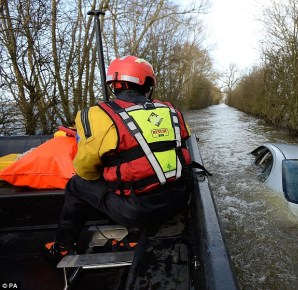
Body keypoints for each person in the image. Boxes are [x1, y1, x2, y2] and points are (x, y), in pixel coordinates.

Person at [43, 55, 192, 262]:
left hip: (138, 211)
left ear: (114, 85)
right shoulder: (172, 111)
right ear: (148, 84)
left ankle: (63, 247)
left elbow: (86, 170)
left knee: (77, 185)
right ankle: (132, 235)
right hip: (179, 199)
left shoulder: (97, 115)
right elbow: (182, 143)